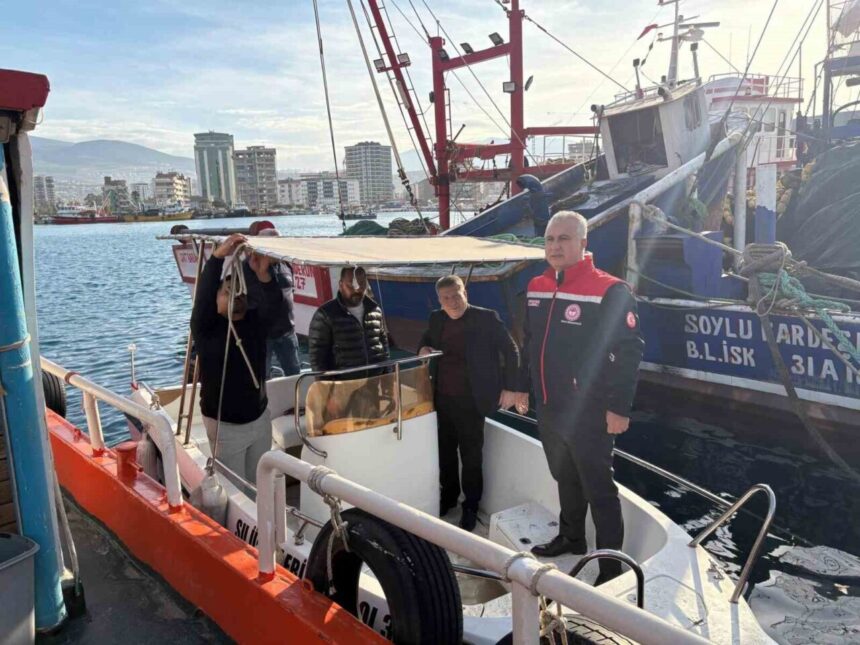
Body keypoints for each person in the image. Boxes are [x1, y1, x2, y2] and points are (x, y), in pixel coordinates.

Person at [516, 211, 643, 584]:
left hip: (588, 410)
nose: (555, 246)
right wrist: (523, 386)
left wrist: (619, 408)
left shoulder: (609, 290)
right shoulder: (537, 286)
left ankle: (610, 566)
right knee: (564, 475)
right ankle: (571, 536)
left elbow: (630, 351)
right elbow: (531, 344)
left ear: (583, 243)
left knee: (598, 487)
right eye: (550, 239)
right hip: (549, 404)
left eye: (564, 239)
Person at [418, 275, 523, 531]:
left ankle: (471, 506)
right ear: (439, 301)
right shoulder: (436, 318)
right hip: (442, 398)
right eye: (446, 298)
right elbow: (426, 341)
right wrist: (422, 350)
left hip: (473, 400)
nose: (452, 302)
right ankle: (449, 496)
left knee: (471, 456)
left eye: (456, 295)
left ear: (465, 293)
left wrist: (512, 387)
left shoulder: (486, 318)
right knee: (445, 452)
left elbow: (512, 351)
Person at [190, 233, 281, 484]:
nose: (234, 298)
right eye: (227, 292)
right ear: (216, 299)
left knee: (260, 481)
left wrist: (262, 272)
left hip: (260, 418)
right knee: (235, 487)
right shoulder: (207, 328)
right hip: (226, 427)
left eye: (239, 293)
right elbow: (204, 297)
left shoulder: (255, 323)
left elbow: (274, 306)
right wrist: (219, 256)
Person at [308, 266, 391, 372]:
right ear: (341, 285)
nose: (357, 289)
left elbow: (384, 346)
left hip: (374, 383)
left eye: (361, 284)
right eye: (351, 285)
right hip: (343, 384)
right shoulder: (325, 315)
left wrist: (388, 375)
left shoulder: (375, 310)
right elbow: (317, 357)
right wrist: (323, 385)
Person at [253, 227, 300, 378]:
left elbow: (290, 292)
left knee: (294, 374)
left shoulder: (285, 265)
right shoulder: (248, 269)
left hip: (287, 331)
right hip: (262, 336)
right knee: (262, 377)